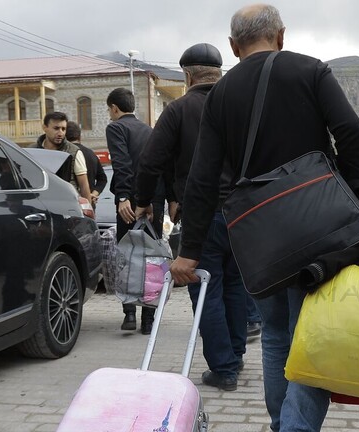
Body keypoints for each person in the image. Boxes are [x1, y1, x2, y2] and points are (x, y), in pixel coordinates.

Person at [169, 4, 359, 431]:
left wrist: (190, 251)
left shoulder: (221, 94)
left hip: (259, 236)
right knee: (311, 339)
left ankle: (283, 423)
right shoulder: (310, 71)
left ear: (233, 46)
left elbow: (202, 177)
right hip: (317, 226)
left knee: (277, 336)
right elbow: (352, 134)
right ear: (281, 35)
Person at [134, 43, 249, 391]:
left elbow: (150, 161)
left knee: (204, 290)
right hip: (245, 214)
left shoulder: (179, 110)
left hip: (204, 215)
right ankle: (237, 355)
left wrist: (142, 201)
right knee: (234, 286)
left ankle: (225, 368)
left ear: (186, 75)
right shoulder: (241, 108)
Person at [106, 87, 160, 335]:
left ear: (114, 108)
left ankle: (129, 314)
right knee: (152, 259)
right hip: (152, 202)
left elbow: (122, 163)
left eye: (109, 110)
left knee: (127, 256)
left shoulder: (116, 128)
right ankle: (149, 319)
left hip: (130, 202)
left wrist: (124, 196)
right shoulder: (149, 130)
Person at [32, 112, 92, 203]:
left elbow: (84, 185)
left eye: (63, 129)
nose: (60, 133)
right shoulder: (31, 151)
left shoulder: (74, 152)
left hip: (68, 205)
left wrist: (88, 210)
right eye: (56, 128)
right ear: (45, 128)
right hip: (40, 204)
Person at [66, 121, 107, 209]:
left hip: (70, 204)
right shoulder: (91, 153)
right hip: (89, 205)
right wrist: (93, 194)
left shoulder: (64, 154)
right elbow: (102, 179)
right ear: (80, 137)